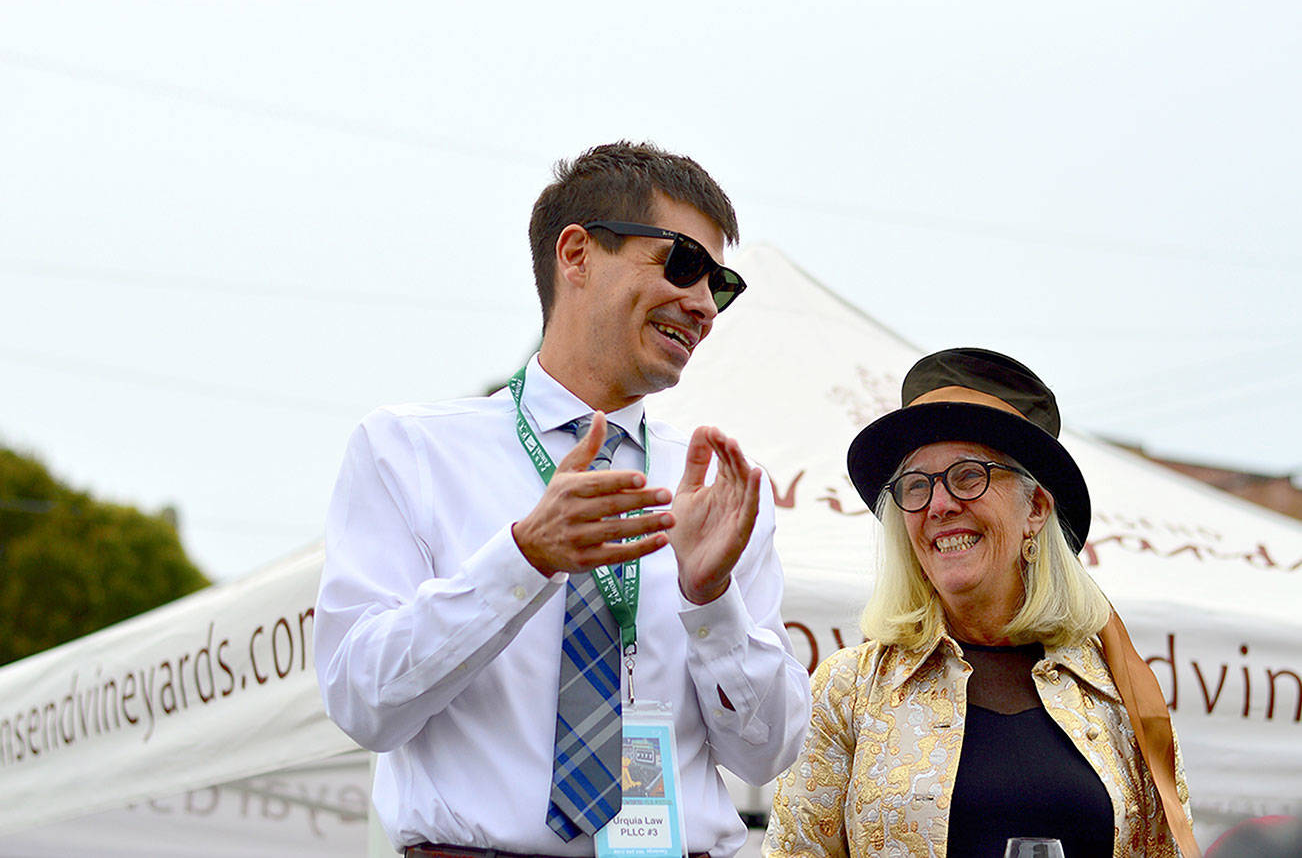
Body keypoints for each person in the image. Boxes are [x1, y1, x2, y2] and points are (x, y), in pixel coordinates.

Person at [314, 141, 810, 858]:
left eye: (720, 284)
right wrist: (523, 559)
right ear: (576, 255)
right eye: (682, 264)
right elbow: (362, 703)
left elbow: (768, 756)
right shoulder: (409, 452)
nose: (704, 305)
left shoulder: (716, 488)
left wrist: (711, 602)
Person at [763, 348, 1199, 857]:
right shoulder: (851, 689)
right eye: (916, 485)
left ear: (1035, 508)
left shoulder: (1117, 691)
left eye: (969, 476)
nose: (940, 505)